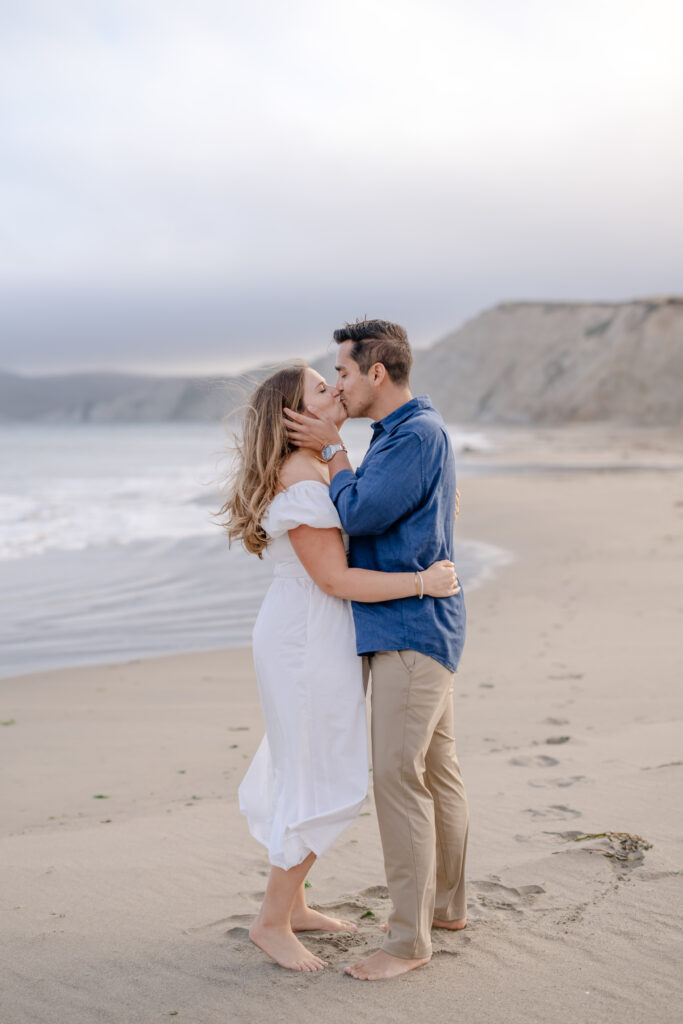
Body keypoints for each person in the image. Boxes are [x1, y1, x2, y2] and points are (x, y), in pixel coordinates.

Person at [219, 363, 460, 973]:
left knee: (304, 763)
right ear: (294, 417)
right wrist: (421, 583)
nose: (336, 391)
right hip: (306, 638)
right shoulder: (301, 475)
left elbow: (368, 513)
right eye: (321, 389)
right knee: (320, 771)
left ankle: (292, 905)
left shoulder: (322, 464)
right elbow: (334, 577)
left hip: (316, 632)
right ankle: (270, 922)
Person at [284, 319, 469, 981]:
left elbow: (359, 515)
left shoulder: (413, 434)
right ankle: (445, 909)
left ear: (376, 372)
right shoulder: (407, 433)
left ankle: (406, 943)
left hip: (409, 632)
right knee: (435, 773)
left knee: (397, 782)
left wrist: (333, 451)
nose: (337, 383)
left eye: (341, 371)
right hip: (423, 625)